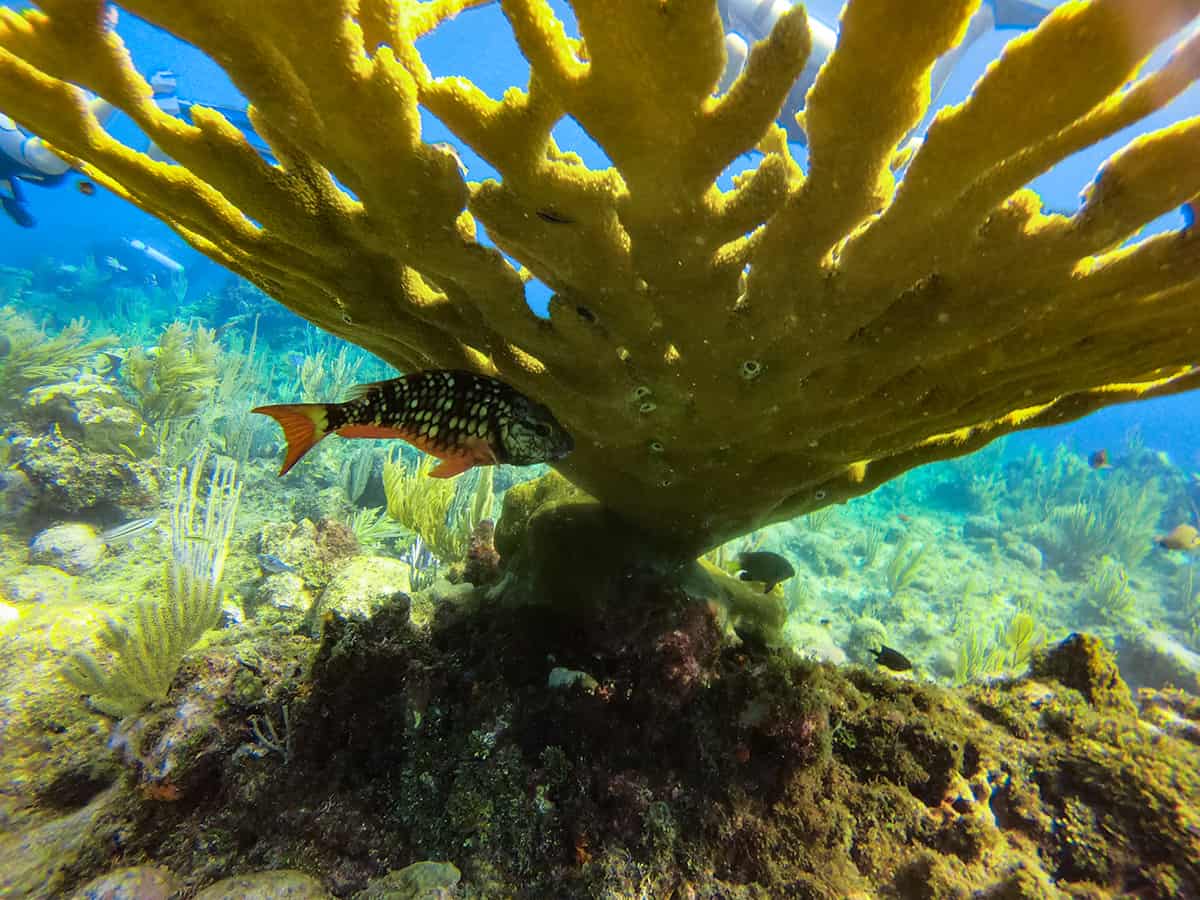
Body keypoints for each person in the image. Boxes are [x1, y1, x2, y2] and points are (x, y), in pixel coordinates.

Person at [717, 0, 1057, 144]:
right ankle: (980, 15)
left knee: (887, 119)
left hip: (775, 66)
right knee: (888, 131)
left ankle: (978, 14)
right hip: (767, 102)